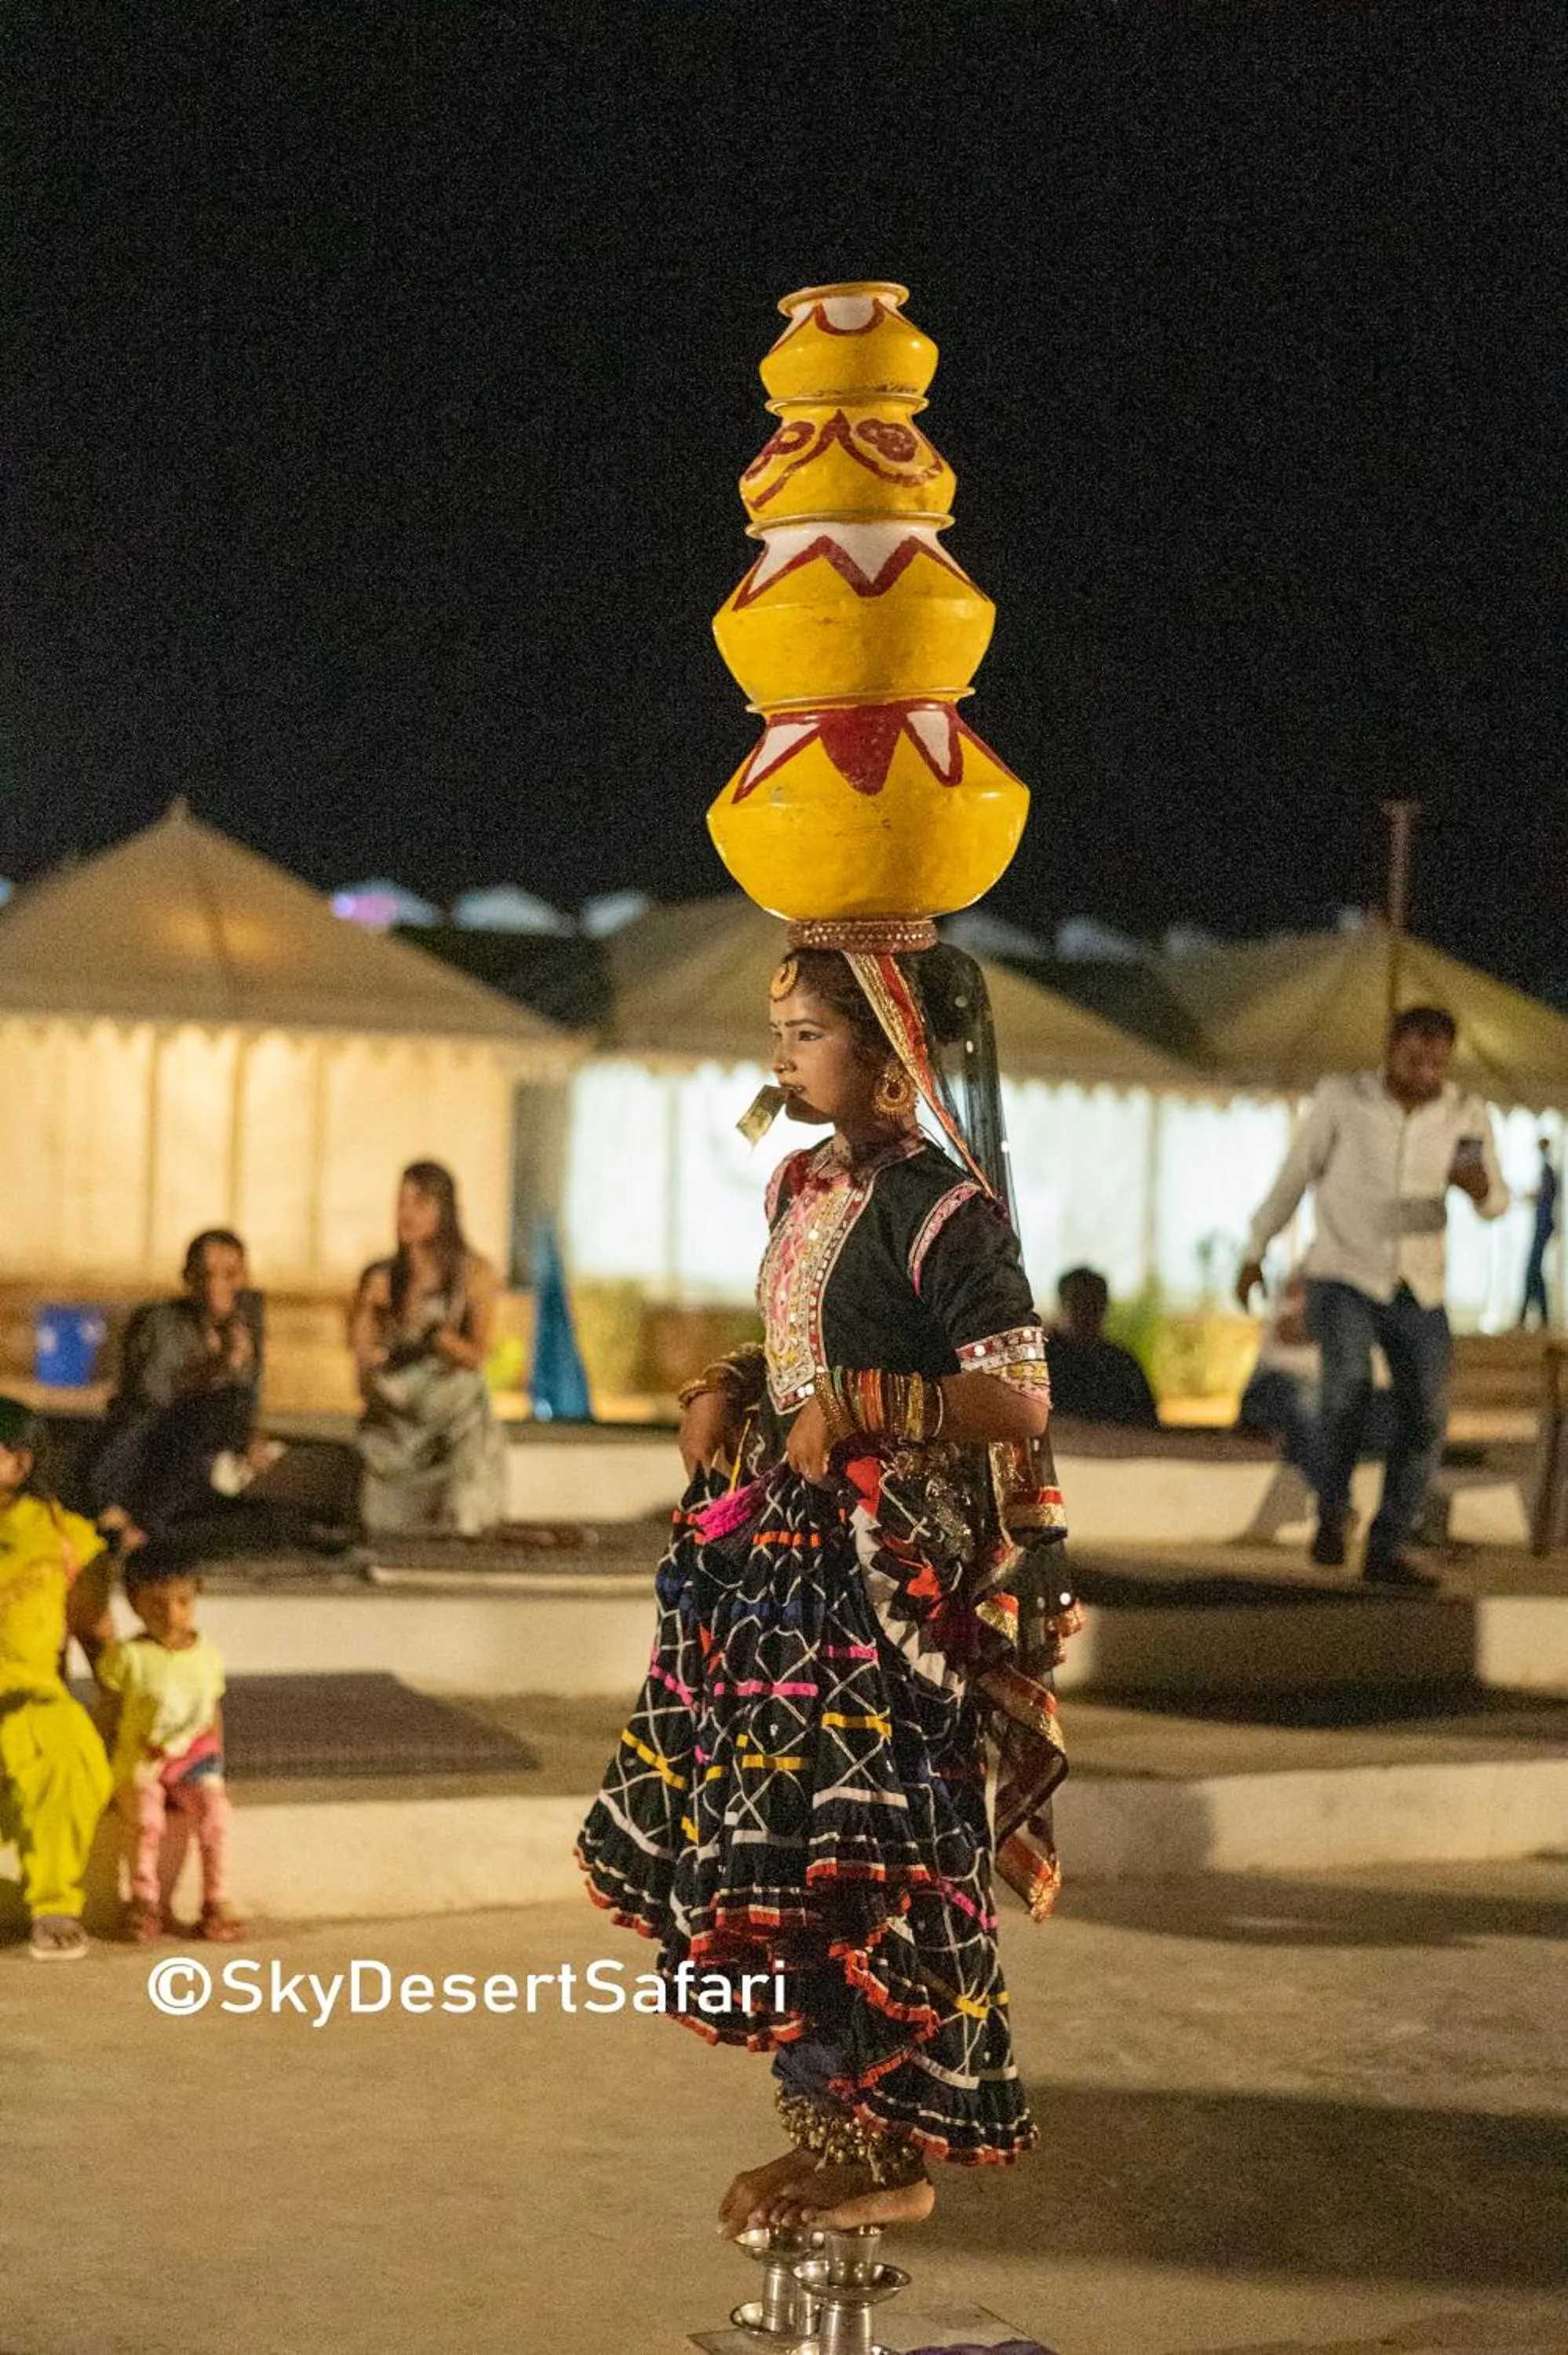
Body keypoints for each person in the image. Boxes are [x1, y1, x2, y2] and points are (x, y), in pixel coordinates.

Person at [578, 943, 1075, 2236]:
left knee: (869, 1863)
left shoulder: (947, 1213)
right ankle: (830, 2132)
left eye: (805, 1034)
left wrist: (861, 1403)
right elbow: (815, 1343)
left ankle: (892, 2150)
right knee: (779, 1859)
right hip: (786, 1575)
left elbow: (1013, 1394)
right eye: (779, 1032)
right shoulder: (804, 1185)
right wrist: (736, 1387)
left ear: (892, 1055)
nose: (780, 1058)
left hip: (884, 1589)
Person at [1236, 1006, 1508, 1586]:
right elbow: (1295, 1175)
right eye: (1416, 1058)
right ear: (1390, 1049)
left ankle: (1388, 1544)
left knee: (1427, 1413)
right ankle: (1334, 1512)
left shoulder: (1466, 1113)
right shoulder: (1343, 1099)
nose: (1428, 1072)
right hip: (1342, 1274)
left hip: (1419, 1283)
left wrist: (1480, 1188)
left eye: (1439, 1062)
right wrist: (1255, 1249)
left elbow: (1497, 1202)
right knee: (1347, 1389)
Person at [0, 1396, 115, 1960]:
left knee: (68, 1751)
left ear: (21, 1464)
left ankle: (53, 1903)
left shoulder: (62, 1535)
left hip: (31, 1699)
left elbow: (97, 1632)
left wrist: (126, 1711)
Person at [348, 1162, 505, 1537]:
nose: (407, 1214)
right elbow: (362, 1359)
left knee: (468, 1404)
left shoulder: (474, 1273)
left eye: (420, 1203)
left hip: (449, 1412)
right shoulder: (382, 1275)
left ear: (444, 1210)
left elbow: (476, 1356)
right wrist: (367, 1309)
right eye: (401, 1202)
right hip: (397, 1417)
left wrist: (436, 1336)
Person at [97, 1555, 242, 1943]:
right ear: (134, 1603)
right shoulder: (128, 1658)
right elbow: (108, 1716)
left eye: (182, 1602)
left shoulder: (207, 1657)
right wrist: (101, 1771)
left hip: (194, 1761)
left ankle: (215, 1902)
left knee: (215, 1815)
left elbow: (212, 1714)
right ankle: (145, 1902)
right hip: (143, 1762)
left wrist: (216, 1768)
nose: (171, 1614)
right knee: (148, 1820)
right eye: (156, 1604)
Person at [89, 1229, 268, 1543]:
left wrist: (252, 1439)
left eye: (230, 1275)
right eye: (206, 1274)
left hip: (207, 1463)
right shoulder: (159, 1322)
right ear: (189, 1278)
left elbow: (247, 1398)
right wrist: (221, 1364)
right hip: (149, 1450)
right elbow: (156, 1394)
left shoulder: (244, 1324)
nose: (217, 1286)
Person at [1044, 1266, 1160, 1428]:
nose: (1087, 1311)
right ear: (1062, 1304)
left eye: (1094, 1303)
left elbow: (1147, 1425)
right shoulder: (1039, 1364)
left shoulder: (1122, 1366)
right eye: (1079, 1302)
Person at [1519, 1136, 1559, 1329]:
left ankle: (1533, 1314)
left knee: (1532, 1270)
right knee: (1533, 1272)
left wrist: (1529, 1195)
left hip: (1543, 1227)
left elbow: (1544, 1195)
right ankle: (1536, 1314)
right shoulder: (1547, 1170)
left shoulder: (1547, 1171)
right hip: (1542, 1226)